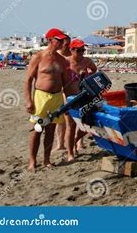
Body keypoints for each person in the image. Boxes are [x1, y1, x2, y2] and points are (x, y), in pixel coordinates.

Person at [24, 28, 69, 171]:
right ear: (50, 40)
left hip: (56, 97)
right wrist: (29, 100)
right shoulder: (38, 57)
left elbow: (65, 83)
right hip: (41, 96)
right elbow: (28, 80)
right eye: (59, 40)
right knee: (37, 129)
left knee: (50, 131)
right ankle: (32, 161)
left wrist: (67, 101)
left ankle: (46, 160)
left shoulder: (62, 60)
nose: (62, 42)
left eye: (63, 40)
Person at [66, 39, 97, 155]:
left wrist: (88, 76)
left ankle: (75, 142)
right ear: (71, 50)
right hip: (70, 97)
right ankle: (70, 153)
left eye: (83, 50)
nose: (81, 53)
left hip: (85, 96)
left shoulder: (87, 61)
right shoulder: (66, 62)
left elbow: (94, 69)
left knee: (87, 124)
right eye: (79, 50)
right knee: (70, 126)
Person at [52, 35, 71, 153]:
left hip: (70, 90)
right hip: (59, 90)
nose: (67, 45)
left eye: (69, 43)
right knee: (60, 120)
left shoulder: (72, 54)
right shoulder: (56, 55)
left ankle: (77, 143)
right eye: (65, 43)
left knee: (72, 119)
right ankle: (60, 144)